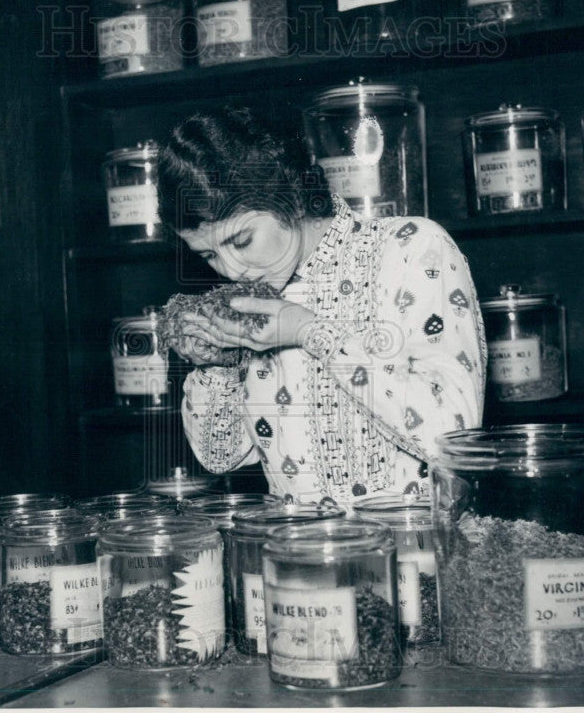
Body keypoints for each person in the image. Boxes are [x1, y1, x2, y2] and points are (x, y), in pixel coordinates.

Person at [158, 107, 486, 505]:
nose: (231, 270)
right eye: (208, 255)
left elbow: (453, 435)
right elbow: (218, 458)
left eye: (241, 241)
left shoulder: (411, 248)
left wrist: (310, 331)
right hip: (295, 555)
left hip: (414, 553)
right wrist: (216, 364)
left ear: (291, 197)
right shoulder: (253, 295)